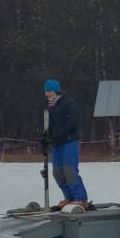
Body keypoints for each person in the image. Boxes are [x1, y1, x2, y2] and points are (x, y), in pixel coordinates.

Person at [42, 79, 90, 210]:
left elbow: (72, 123)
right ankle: (69, 197)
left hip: (70, 141)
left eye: (50, 93)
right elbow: (48, 126)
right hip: (57, 144)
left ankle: (80, 198)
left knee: (69, 170)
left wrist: (57, 134)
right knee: (58, 172)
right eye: (46, 94)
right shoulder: (49, 108)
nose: (48, 96)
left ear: (57, 92)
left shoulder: (69, 104)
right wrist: (45, 137)